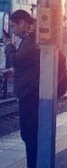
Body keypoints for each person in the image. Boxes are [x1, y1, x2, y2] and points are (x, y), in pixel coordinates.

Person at [3, 10, 40, 168]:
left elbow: (17, 60)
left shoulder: (31, 39)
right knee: (31, 135)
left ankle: (33, 165)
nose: (13, 30)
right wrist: (12, 72)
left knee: (29, 134)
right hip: (31, 91)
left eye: (13, 26)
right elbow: (30, 65)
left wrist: (8, 45)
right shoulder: (33, 37)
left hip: (30, 93)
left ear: (22, 23)